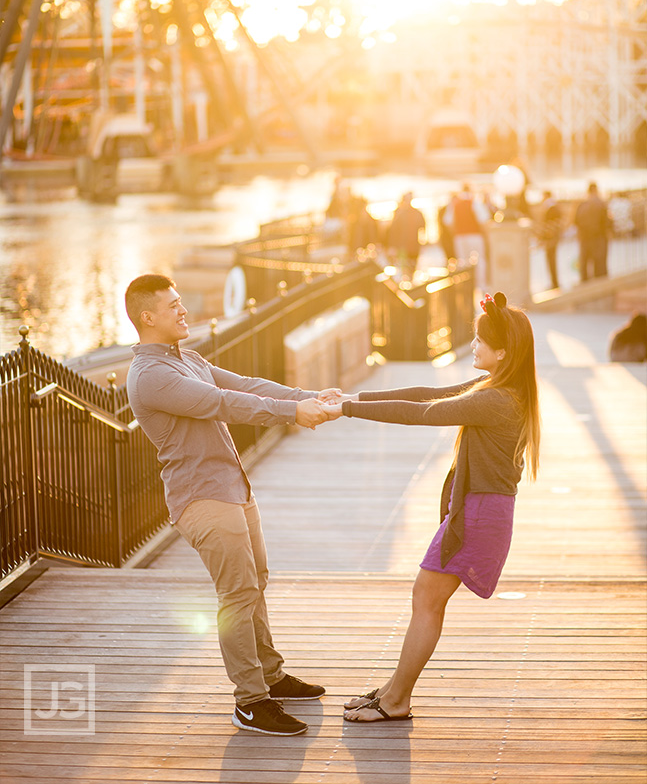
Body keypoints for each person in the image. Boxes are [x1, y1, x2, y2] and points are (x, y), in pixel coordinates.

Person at [125, 273, 337, 737]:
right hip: (201, 496)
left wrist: (307, 397)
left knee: (255, 581)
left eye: (181, 302)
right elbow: (223, 402)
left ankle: (271, 675)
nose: (183, 310)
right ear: (147, 317)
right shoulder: (152, 375)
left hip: (231, 487)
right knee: (237, 594)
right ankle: (249, 701)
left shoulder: (188, 358)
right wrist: (292, 414)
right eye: (173, 305)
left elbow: (247, 383)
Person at [320, 291, 540, 724]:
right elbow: (426, 392)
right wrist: (354, 398)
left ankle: (397, 699)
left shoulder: (496, 400)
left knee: (427, 598)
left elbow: (422, 413)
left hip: (480, 515)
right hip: (477, 510)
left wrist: (344, 410)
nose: (472, 347)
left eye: (479, 341)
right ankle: (391, 690)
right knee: (426, 597)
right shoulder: (497, 387)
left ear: (502, 351)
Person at [442, 184, 487, 286]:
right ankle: (480, 285)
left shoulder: (455, 204)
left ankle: (465, 286)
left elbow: (448, 221)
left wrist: (456, 231)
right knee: (480, 261)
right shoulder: (475, 202)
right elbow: (483, 219)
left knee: (462, 262)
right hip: (475, 235)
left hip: (459, 236)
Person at [574, 182, 609, 282]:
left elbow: (576, 221)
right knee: (599, 264)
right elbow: (606, 222)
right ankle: (600, 285)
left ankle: (584, 284)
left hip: (585, 238)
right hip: (598, 237)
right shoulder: (601, 204)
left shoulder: (581, 204)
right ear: (596, 191)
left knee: (585, 263)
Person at [387, 192, 426, 276]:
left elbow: (423, 228)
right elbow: (393, 231)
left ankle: (410, 282)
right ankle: (408, 283)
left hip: (413, 246)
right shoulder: (400, 214)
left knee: (411, 267)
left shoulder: (416, 213)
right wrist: (393, 246)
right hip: (403, 247)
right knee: (405, 268)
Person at [536, 191, 562, 291]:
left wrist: (543, 237)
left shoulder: (550, 208)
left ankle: (554, 283)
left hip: (550, 239)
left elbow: (549, 226)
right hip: (553, 238)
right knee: (552, 260)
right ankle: (554, 282)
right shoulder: (554, 207)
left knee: (551, 260)